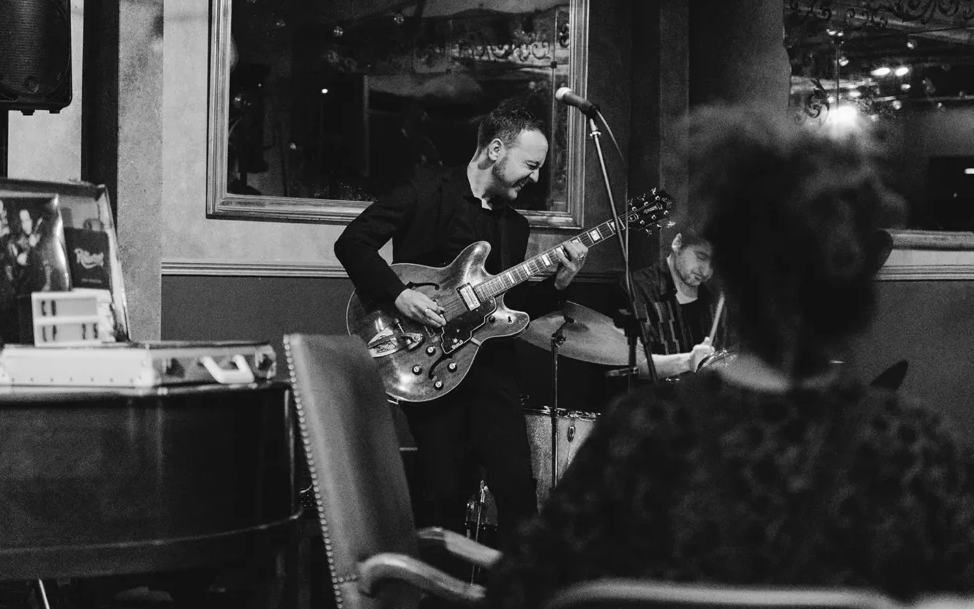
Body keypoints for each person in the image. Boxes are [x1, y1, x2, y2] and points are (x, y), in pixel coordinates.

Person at [485, 105, 974, 607]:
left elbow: (525, 591)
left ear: (733, 280)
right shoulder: (913, 446)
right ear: (855, 296)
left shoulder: (646, 433)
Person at [334, 98, 589, 542]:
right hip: (428, 367)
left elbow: (513, 305)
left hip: (491, 370)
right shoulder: (423, 191)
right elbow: (352, 244)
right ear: (495, 150)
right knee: (444, 497)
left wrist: (561, 282)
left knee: (517, 491)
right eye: (530, 164)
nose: (535, 176)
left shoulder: (516, 226)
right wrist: (401, 295)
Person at [619, 224, 724, 381]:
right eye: (701, 257)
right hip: (656, 401)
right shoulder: (636, 288)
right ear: (677, 243)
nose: (706, 271)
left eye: (714, 264)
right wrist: (688, 361)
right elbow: (626, 362)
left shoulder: (714, 295)